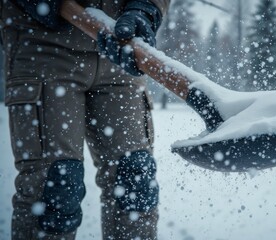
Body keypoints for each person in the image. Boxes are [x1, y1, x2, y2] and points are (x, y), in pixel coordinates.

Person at [0, 0, 170, 239]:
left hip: (117, 48)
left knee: (136, 180)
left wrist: (144, 8)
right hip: (45, 47)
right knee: (55, 188)